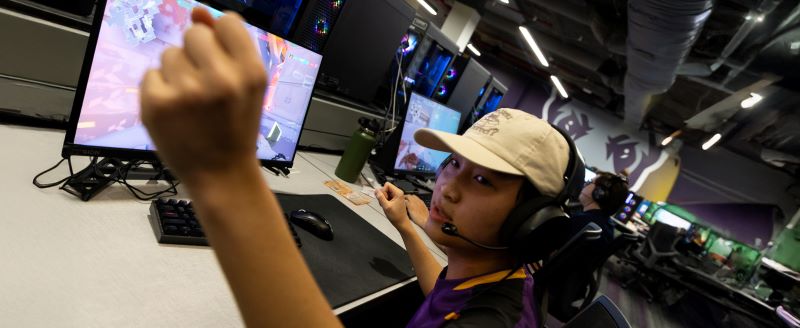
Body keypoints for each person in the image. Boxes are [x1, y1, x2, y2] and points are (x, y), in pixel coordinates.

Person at [140, 8, 573, 327]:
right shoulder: (496, 279)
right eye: (453, 164)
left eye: (482, 180)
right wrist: (406, 227)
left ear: (530, 222)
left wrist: (225, 177)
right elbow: (440, 293)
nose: (448, 188)